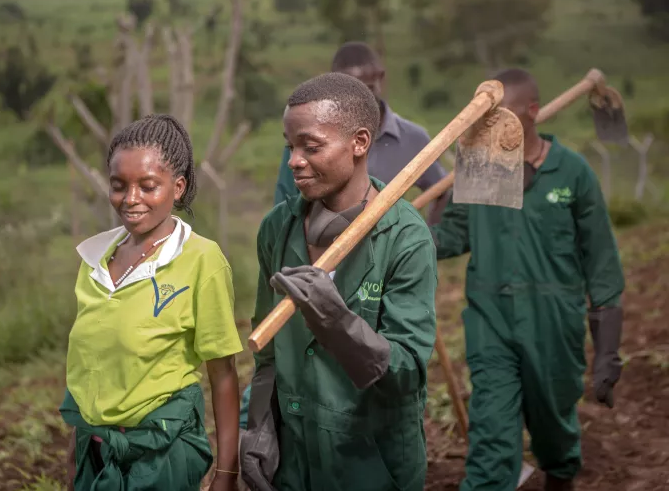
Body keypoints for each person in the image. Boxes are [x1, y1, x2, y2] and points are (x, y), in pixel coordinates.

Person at [240, 72, 438, 491]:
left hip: (373, 462)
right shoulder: (278, 228)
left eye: (311, 147)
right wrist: (256, 429)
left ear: (360, 143)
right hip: (296, 461)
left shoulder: (404, 236)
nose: (294, 159)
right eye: (290, 146)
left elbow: (407, 373)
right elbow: (268, 355)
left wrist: (337, 322)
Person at [430, 68, 625, 491]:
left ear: (532, 111)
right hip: (490, 322)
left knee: (553, 423)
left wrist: (608, 348)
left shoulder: (571, 172)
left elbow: (601, 260)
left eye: (500, 114)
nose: (490, 125)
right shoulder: (482, 165)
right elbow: (454, 235)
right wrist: (410, 231)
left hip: (554, 324)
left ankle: (560, 472)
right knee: (492, 432)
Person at [59, 114, 243, 491]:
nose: (130, 199)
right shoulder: (95, 259)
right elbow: (92, 363)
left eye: (147, 186)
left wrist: (228, 471)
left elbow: (222, 373)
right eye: (118, 186)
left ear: (178, 187)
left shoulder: (200, 260)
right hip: (96, 448)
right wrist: (79, 447)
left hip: (161, 451)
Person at [273, 41, 449, 225]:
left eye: (368, 89)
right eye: (347, 93)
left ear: (380, 78)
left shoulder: (414, 139)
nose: (360, 101)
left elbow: (441, 190)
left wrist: (430, 237)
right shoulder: (307, 140)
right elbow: (285, 209)